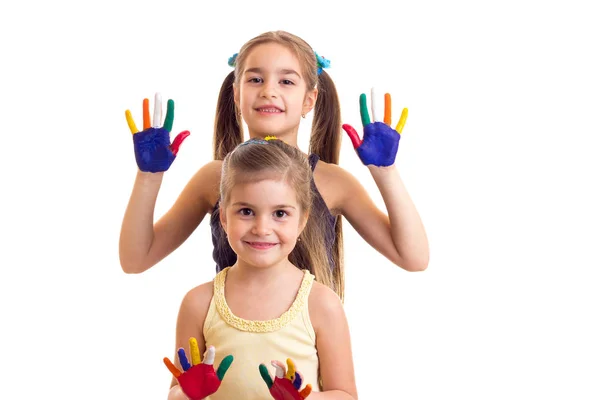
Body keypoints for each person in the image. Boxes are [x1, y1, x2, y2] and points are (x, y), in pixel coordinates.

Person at [120, 30, 429, 300]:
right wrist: (149, 177)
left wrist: (385, 172)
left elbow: (414, 258)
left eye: (286, 81)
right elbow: (135, 260)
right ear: (237, 95)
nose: (269, 90)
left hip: (304, 358)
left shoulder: (332, 182)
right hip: (230, 349)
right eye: (256, 79)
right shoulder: (213, 178)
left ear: (309, 100)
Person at [163, 138, 357, 399]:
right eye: (246, 211)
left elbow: (345, 395)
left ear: (302, 220)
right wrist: (187, 394)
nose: (262, 228)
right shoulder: (199, 303)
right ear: (223, 216)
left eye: (279, 214)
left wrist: (306, 398)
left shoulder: (321, 304)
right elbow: (175, 393)